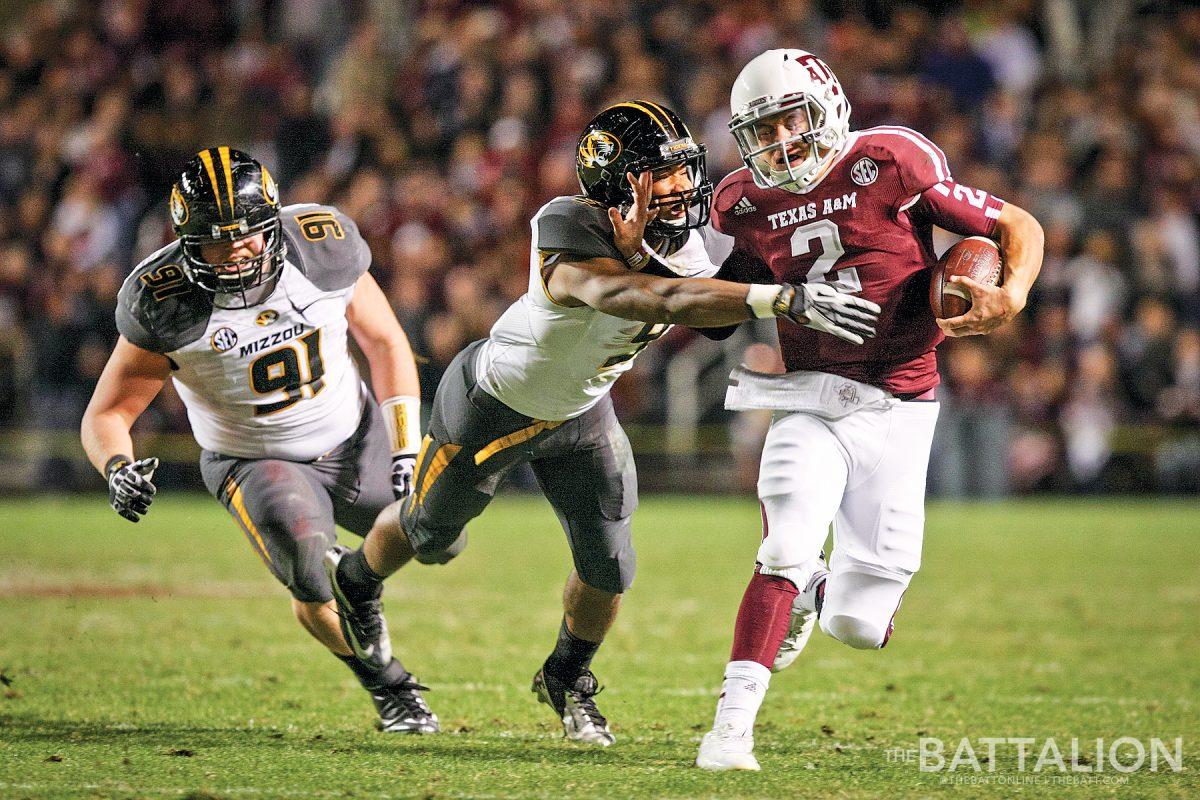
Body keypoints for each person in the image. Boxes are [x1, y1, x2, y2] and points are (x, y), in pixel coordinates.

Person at [322, 102, 882, 746]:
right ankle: (357, 579)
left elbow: (710, 312)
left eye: (682, 169)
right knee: (427, 532)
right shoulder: (565, 224)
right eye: (659, 174)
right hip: (494, 406)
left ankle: (567, 676)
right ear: (616, 182)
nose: (679, 188)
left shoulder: (686, 245)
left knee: (610, 565)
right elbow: (639, 296)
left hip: (584, 409)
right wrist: (774, 296)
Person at [694, 50, 1045, 771]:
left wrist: (1010, 294)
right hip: (812, 397)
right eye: (763, 132)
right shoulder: (746, 201)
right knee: (786, 542)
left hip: (902, 406)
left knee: (858, 624)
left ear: (826, 106)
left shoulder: (888, 161)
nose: (782, 145)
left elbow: (1018, 225)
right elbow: (717, 315)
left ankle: (817, 591)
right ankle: (729, 732)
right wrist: (678, 277)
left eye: (792, 121)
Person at [80, 148, 438, 734]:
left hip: (357, 435)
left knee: (441, 535)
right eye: (216, 242)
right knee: (306, 564)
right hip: (255, 459)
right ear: (186, 243)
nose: (236, 251)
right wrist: (117, 467)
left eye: (247, 235)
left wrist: (405, 447)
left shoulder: (321, 247)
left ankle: (360, 586)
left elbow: (387, 344)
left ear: (272, 223)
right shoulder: (164, 300)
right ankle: (387, 682)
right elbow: (108, 412)